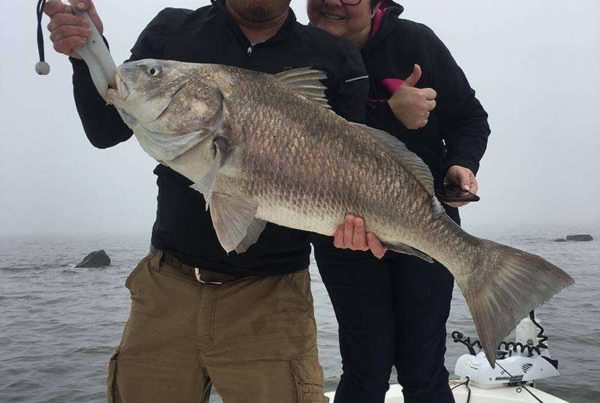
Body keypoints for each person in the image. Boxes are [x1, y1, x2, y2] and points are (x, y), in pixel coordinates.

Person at [43, 0, 369, 401]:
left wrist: (358, 233)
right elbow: (106, 130)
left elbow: (351, 171)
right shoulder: (173, 29)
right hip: (167, 288)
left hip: (271, 300)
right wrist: (87, 54)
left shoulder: (334, 56)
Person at [307, 0, 491, 402]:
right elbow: (304, 142)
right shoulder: (303, 53)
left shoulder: (417, 41)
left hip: (426, 223)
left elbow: (470, 117)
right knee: (364, 369)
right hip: (342, 232)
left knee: (424, 370)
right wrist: (389, 112)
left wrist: (459, 164)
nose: (332, 3)